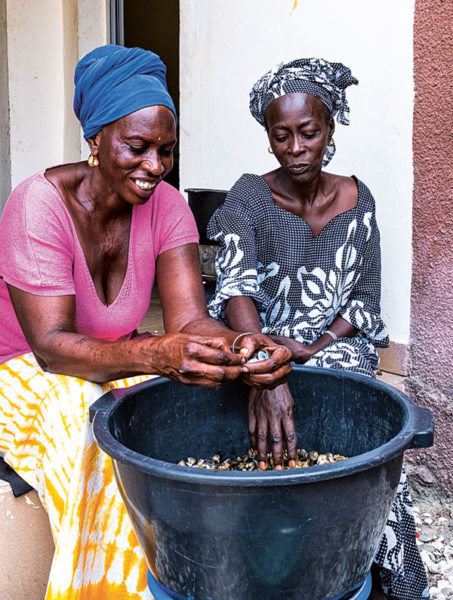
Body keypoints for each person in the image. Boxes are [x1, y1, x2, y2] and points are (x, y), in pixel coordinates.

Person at [0, 45, 292, 600]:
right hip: (19, 370)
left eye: (165, 151)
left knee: (188, 400)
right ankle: (106, 590)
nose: (155, 167)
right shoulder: (37, 205)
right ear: (95, 140)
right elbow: (53, 350)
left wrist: (247, 347)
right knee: (91, 425)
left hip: (111, 356)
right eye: (137, 147)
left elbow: (189, 321)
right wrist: (157, 354)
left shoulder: (165, 206)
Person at [207, 58, 429, 600]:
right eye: (280, 136)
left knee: (364, 433)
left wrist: (318, 344)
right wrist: (264, 359)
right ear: (268, 139)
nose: (296, 148)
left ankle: (390, 577)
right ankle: (283, 571)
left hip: (335, 345)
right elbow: (235, 289)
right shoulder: (250, 197)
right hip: (260, 345)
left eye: (309, 132)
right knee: (269, 446)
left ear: (330, 129)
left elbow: (362, 300)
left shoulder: (358, 200)